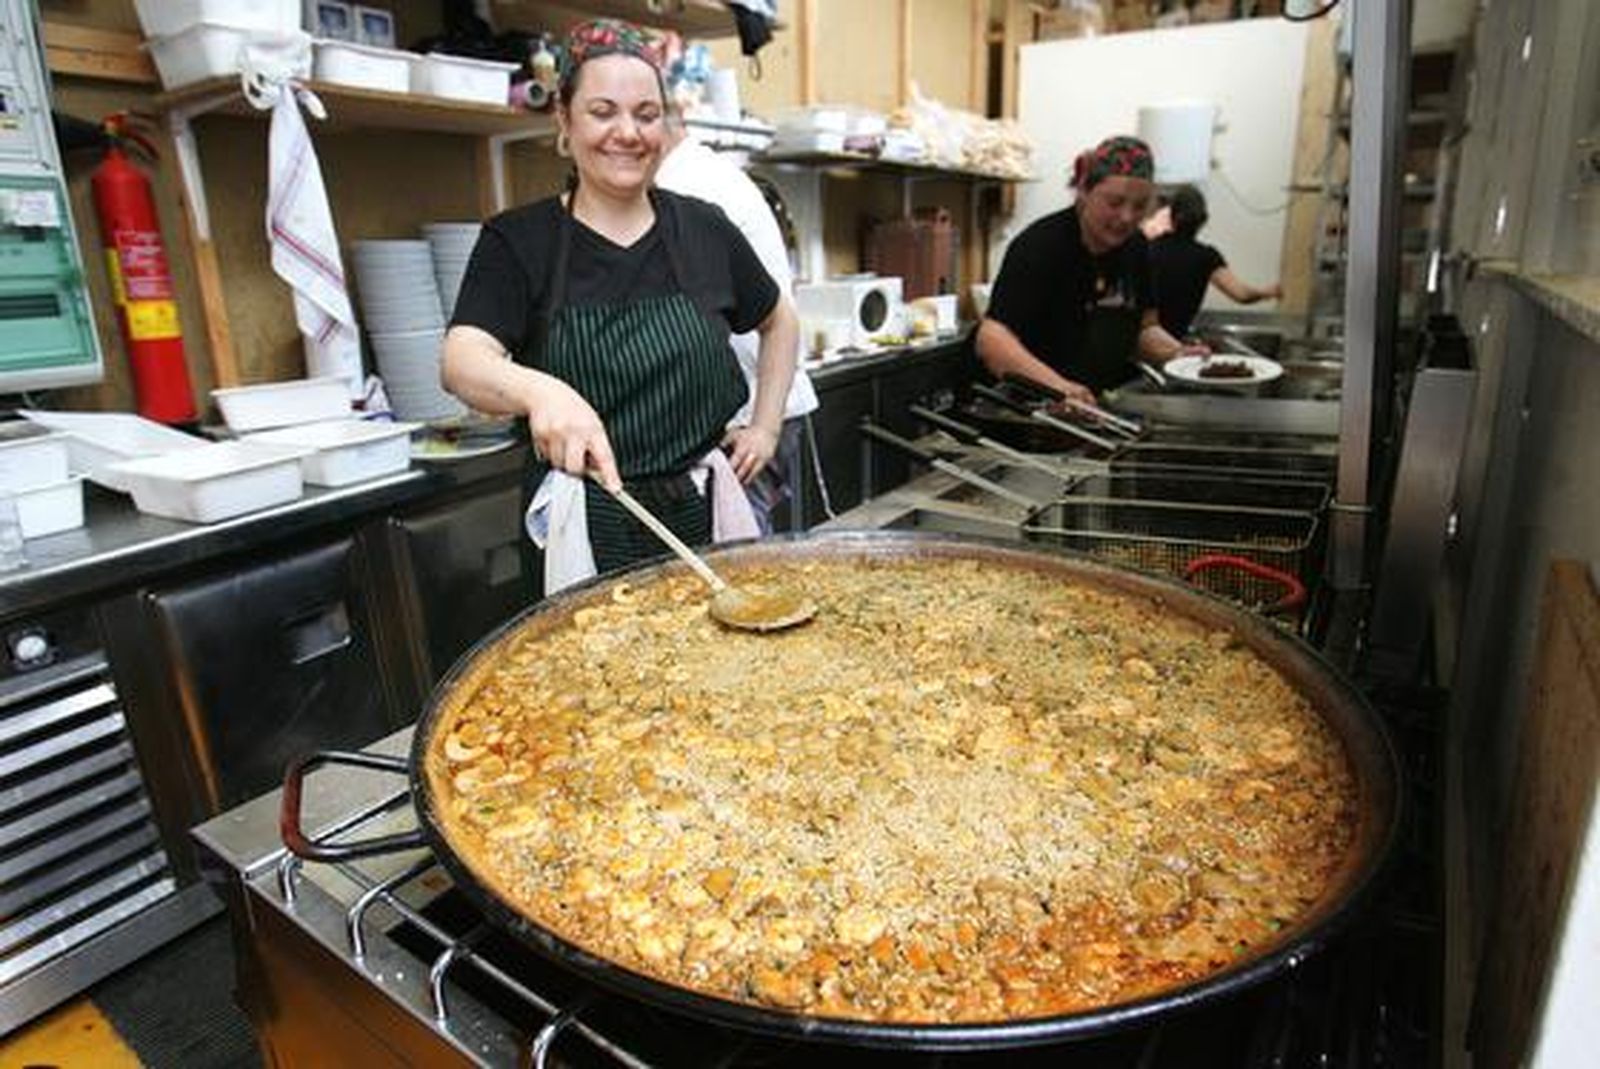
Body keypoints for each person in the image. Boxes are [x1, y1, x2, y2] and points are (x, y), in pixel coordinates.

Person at [441, 18, 799, 590]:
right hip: (586, 522)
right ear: (564, 118)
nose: (627, 133)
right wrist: (541, 390)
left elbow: (779, 320)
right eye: (603, 111)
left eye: (646, 114)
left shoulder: (704, 229)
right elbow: (462, 360)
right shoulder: (519, 241)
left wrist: (765, 429)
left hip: (704, 516)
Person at [653, 106, 819, 534]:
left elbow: (688, 325)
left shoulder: (685, 188)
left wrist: (762, 429)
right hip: (761, 402)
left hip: (747, 412)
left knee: (737, 556)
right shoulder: (705, 172)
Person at [975, 135, 1202, 404]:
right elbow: (992, 339)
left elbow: (1142, 328)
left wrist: (1178, 355)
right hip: (1023, 406)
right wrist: (1059, 388)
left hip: (1088, 406)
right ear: (1084, 190)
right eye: (1115, 203)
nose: (1127, 217)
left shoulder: (1136, 247)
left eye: (1140, 206)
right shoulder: (1041, 245)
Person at [1148, 184, 1283, 339]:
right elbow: (1242, 295)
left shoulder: (1149, 248)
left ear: (1171, 217)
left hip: (1141, 341)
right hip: (1173, 342)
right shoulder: (1206, 257)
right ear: (1203, 221)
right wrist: (1267, 292)